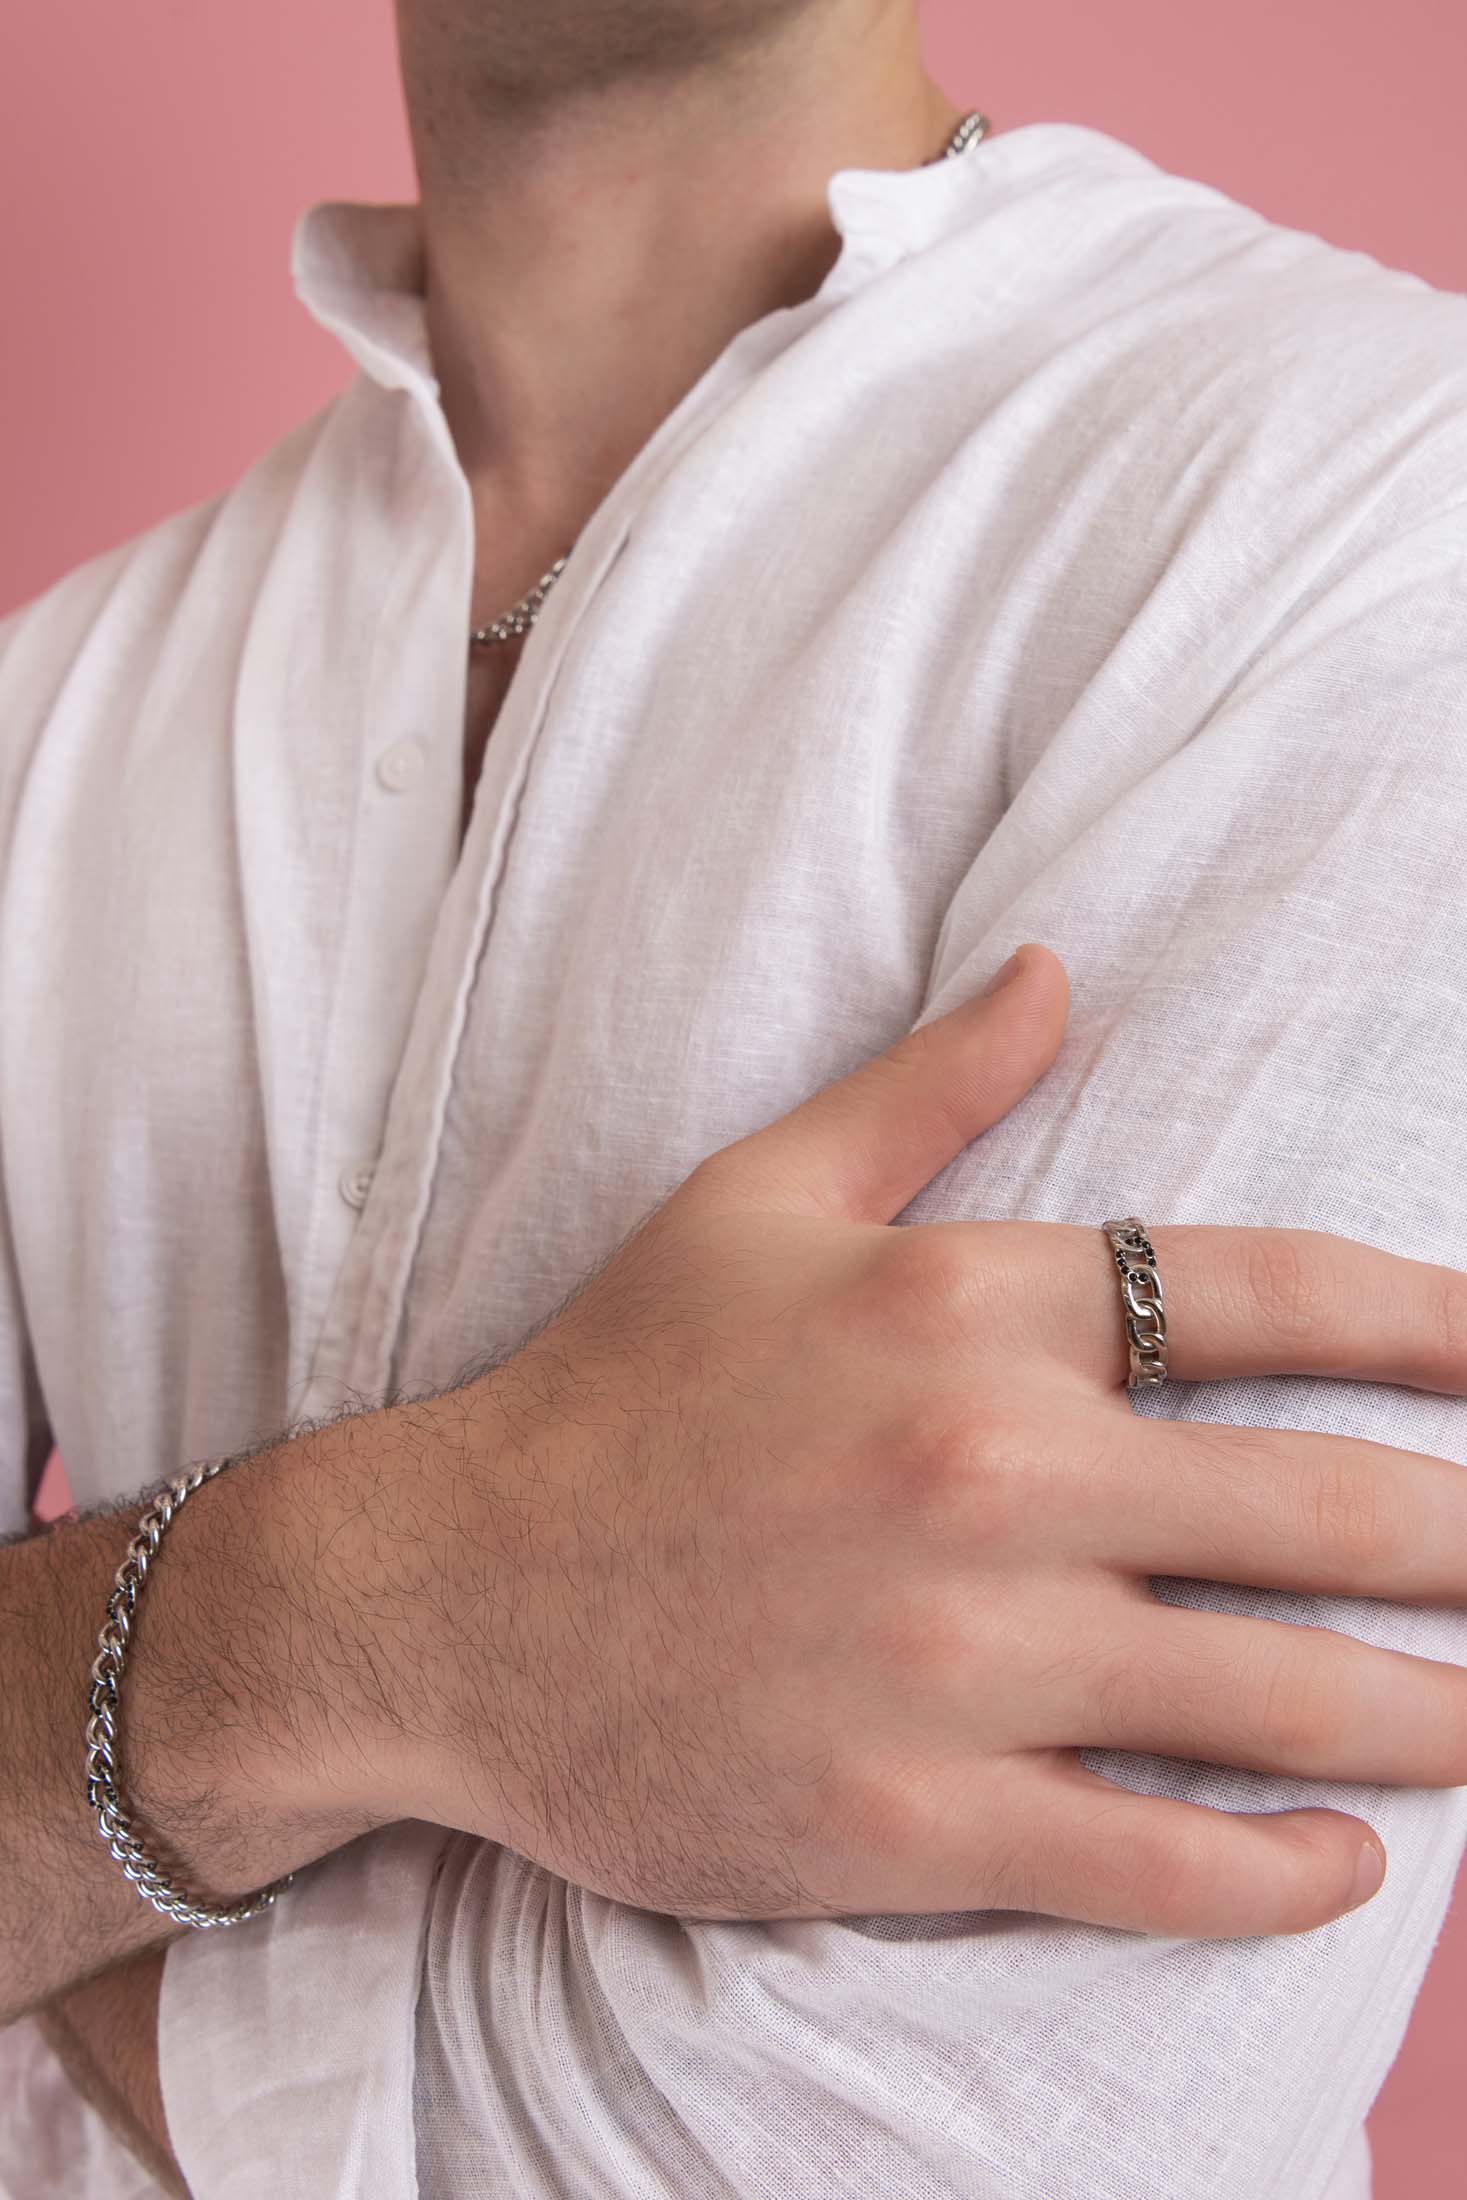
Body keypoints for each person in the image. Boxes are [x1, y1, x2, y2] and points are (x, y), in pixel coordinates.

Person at [2, 0, 1467, 2192]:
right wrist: (384, 1595)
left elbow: (947, 2148)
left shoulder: (1357, 500)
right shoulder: (52, 705)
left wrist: (66, 1889)